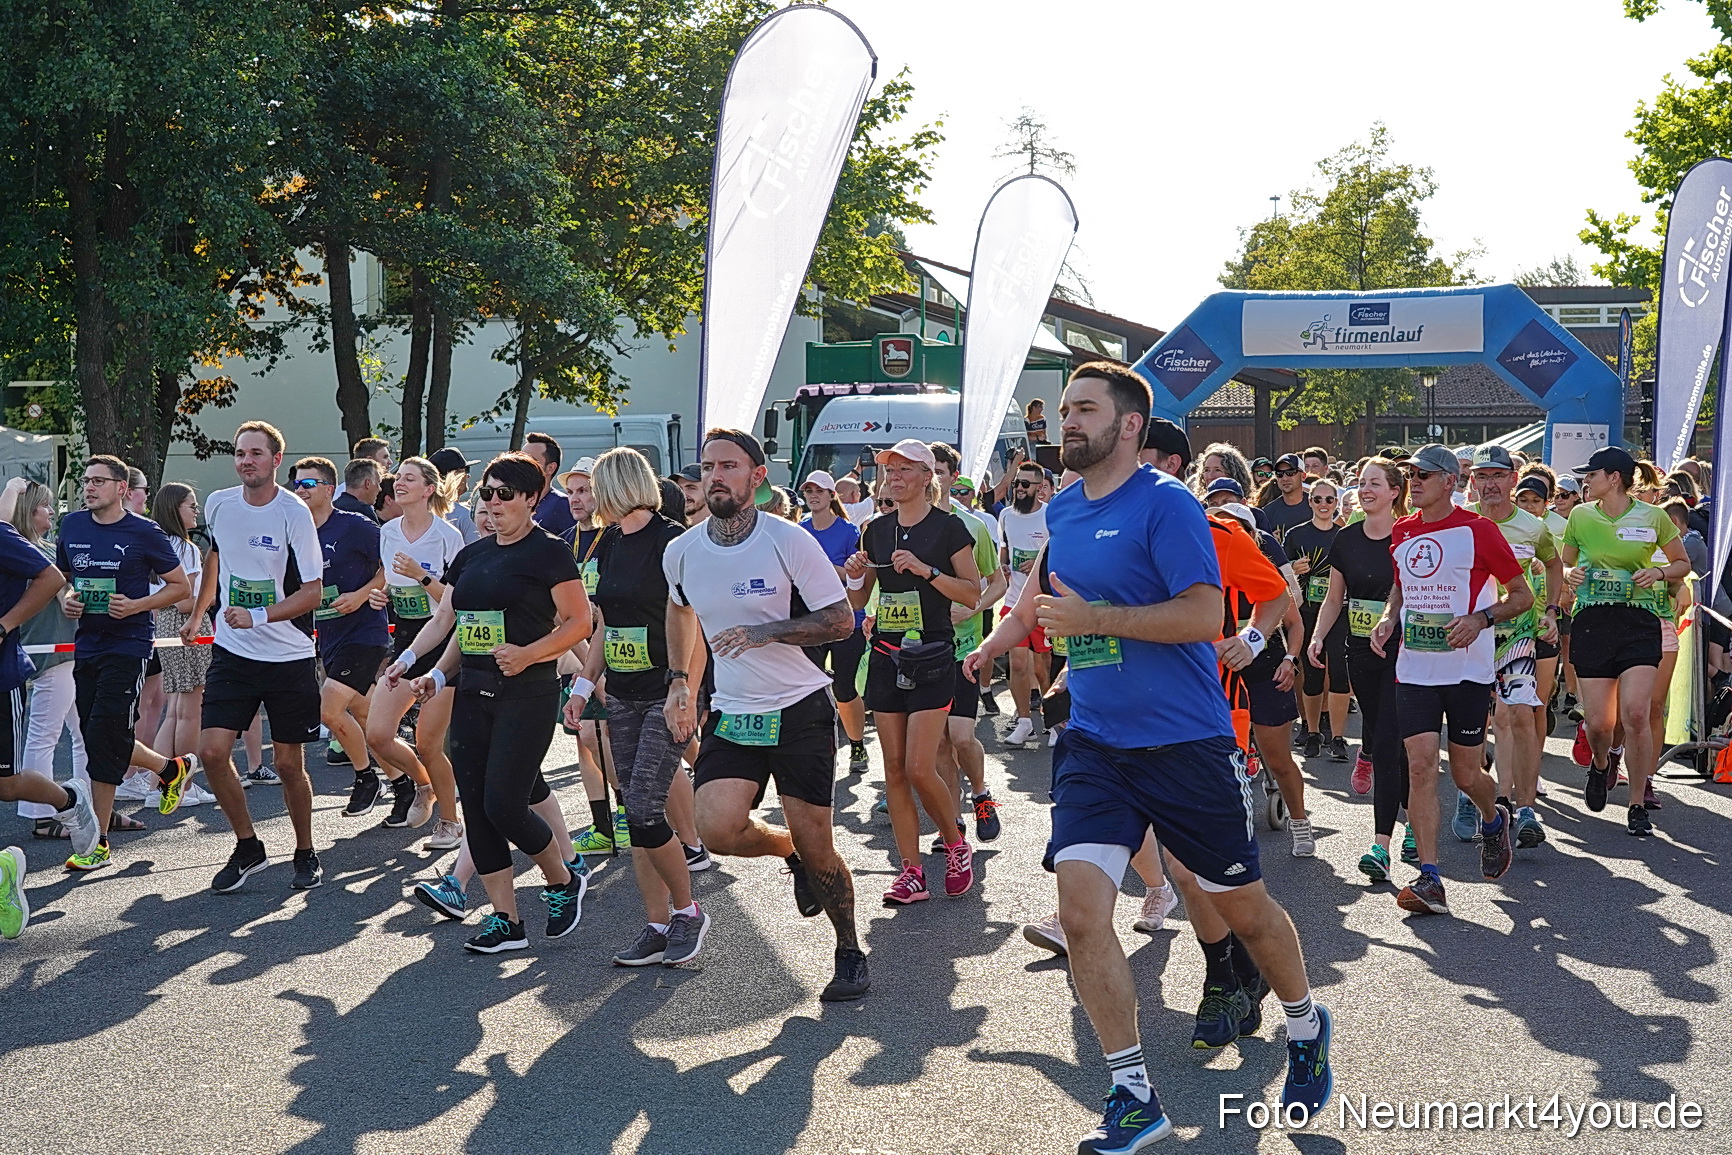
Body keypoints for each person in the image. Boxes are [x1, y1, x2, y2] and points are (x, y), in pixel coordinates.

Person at [964, 363, 1332, 1151]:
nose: (1066, 422)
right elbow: (1038, 583)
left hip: (1185, 742)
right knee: (1080, 911)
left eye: (1083, 410)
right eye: (1063, 409)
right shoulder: (1063, 507)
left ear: (1129, 425)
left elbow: (1204, 614)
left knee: (1245, 911)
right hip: (1096, 742)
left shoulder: (1168, 506)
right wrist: (999, 637)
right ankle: (1133, 1093)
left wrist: (1099, 617)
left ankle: (1305, 1021)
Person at [663, 429, 869, 1001]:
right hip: (735, 711)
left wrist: (763, 632)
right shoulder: (681, 551)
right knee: (716, 827)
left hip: (800, 706)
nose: (715, 476)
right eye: (708, 467)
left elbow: (840, 620)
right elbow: (680, 613)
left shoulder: (788, 541)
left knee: (820, 843)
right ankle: (788, 853)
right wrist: (681, 681)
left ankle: (849, 950)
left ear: (757, 477)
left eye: (729, 466)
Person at [401, 452, 592, 952]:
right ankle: (506, 921)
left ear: (532, 499)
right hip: (473, 692)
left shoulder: (549, 553)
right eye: (486, 493)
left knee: (505, 804)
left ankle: (562, 879)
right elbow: (453, 625)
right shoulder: (472, 556)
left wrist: (529, 654)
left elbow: (579, 622)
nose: (493, 503)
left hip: (526, 693)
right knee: (479, 812)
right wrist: (430, 672)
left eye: (505, 494)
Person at [562, 448, 709, 966]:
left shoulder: (673, 541)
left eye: (594, 487)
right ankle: (655, 923)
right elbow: (604, 624)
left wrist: (683, 688)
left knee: (646, 810)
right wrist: (583, 688)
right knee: (635, 810)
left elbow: (693, 624)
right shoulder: (609, 545)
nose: (584, 499)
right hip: (620, 694)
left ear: (618, 486)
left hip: (664, 694)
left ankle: (688, 912)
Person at [1369, 444, 1529, 916]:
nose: (1413, 481)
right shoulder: (1402, 531)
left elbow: (1520, 596)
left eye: (1423, 474)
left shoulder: (1479, 531)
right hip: (1415, 667)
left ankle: (1493, 816)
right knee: (1419, 765)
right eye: (1409, 474)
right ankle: (1431, 878)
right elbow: (1401, 586)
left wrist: (1481, 619)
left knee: (1464, 773)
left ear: (1449, 482)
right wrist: (1388, 616)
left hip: (1467, 670)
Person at [182, 422, 328, 892]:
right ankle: (249, 846)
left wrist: (261, 615)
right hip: (233, 652)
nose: (246, 461)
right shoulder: (221, 503)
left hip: (288, 657)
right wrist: (202, 612)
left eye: (256, 454)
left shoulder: (293, 513)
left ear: (275, 461)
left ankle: (305, 850)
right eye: (240, 453)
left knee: (288, 765)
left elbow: (313, 592)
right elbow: (217, 559)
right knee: (210, 752)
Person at [844, 438, 982, 905]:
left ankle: (955, 843)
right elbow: (859, 602)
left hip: (934, 658)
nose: (894, 477)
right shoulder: (875, 531)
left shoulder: (950, 529)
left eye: (905, 469)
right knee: (896, 772)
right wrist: (856, 575)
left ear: (929, 477)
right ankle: (911, 872)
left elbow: (972, 594)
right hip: (886, 656)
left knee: (922, 766)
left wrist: (927, 571)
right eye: (889, 469)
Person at [57, 456, 199, 870]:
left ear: (122, 488)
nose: (89, 487)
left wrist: (138, 604)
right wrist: (68, 600)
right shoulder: (74, 526)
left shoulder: (143, 532)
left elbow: (180, 586)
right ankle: (169, 768)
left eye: (99, 481)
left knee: (103, 734)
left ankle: (96, 842)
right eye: (86, 481)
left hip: (129, 645)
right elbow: (67, 579)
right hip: (87, 645)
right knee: (96, 732)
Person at [1561, 446, 1690, 836]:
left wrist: (1660, 573)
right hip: (1593, 622)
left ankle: (1636, 804)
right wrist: (1570, 575)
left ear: (1614, 477)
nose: (1586, 481)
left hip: (1639, 622)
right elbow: (1565, 562)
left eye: (1592, 475)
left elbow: (1682, 563)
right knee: (1600, 723)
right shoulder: (1581, 517)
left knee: (1636, 713)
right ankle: (1601, 764)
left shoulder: (1653, 516)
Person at [0, 478, 100, 934]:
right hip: (45, 658)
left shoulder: (12, 539)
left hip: (14, 672)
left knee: (7, 782)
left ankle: (67, 800)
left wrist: (4, 625)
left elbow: (54, 578)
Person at [1309, 458, 1416, 880]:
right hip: (1359, 650)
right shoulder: (1346, 539)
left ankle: (1384, 842)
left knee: (1393, 736)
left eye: (1375, 483)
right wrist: (1318, 638)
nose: (1366, 488)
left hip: (1404, 651)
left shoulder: (1409, 536)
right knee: (1382, 732)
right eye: (1362, 482)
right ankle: (1404, 809)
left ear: (1394, 491)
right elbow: (1335, 598)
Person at [359, 456, 466, 844]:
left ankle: (451, 822)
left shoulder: (448, 537)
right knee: (378, 735)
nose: (398, 484)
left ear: (428, 489)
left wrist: (421, 577)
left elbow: (453, 605)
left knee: (428, 742)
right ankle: (424, 785)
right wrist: (380, 595)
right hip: (406, 642)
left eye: (408, 479)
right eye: (397, 478)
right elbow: (391, 577)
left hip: (443, 649)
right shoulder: (387, 532)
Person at [1466, 445, 1562, 852]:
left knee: (1519, 715)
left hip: (1518, 634)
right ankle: (1483, 795)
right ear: (1473, 482)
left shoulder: (1532, 526)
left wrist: (1553, 610)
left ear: (1512, 479)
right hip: (1468, 636)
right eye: (1482, 477)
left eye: (1498, 476)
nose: (1490, 484)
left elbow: (1555, 564)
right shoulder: (1461, 523)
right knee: (1475, 724)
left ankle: (1523, 809)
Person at [290, 456, 394, 830]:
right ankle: (408, 783)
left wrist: (363, 594)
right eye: (296, 484)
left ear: (329, 489)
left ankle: (366, 777)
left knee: (329, 711)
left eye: (308, 484)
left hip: (365, 632)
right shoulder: (296, 532)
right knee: (366, 715)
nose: (300, 490)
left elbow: (390, 567)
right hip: (328, 636)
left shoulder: (355, 526)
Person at [931, 442, 1009, 841]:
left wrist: (973, 607)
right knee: (940, 743)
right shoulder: (902, 526)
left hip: (962, 649)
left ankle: (980, 793)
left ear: (950, 477)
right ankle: (953, 821)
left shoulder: (972, 525)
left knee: (961, 735)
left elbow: (998, 583)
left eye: (939, 471)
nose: (932, 477)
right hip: (922, 651)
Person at [797, 471, 870, 771]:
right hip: (812, 622)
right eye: (808, 490)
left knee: (843, 687)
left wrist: (825, 568)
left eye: (819, 491)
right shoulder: (799, 531)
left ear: (831, 496)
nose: (813, 495)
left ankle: (857, 745)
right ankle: (815, 750)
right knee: (809, 690)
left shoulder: (848, 531)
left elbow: (858, 576)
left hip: (847, 620)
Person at [148, 483, 214, 770]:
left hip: (164, 624)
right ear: (175, 509)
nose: (196, 511)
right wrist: (210, 596)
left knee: (174, 710)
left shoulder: (156, 545)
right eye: (191, 505)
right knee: (190, 711)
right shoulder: (185, 548)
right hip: (187, 626)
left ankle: (159, 781)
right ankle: (184, 784)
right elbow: (185, 602)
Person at [1284, 477, 1351, 761]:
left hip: (1340, 611)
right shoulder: (1297, 535)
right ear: (1310, 502)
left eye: (1329, 500)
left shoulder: (1346, 535)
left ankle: (1337, 737)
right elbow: (1281, 573)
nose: (1324, 505)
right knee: (1311, 674)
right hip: (1308, 610)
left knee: (1339, 672)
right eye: (1318, 499)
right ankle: (1312, 732)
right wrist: (1293, 570)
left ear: (1336, 503)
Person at [998, 459, 1051, 746]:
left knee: (1043, 667)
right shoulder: (1006, 515)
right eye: (1017, 482)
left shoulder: (1049, 515)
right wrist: (1004, 566)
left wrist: (1039, 563)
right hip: (1013, 599)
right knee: (1017, 663)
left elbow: (1060, 555)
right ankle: (1023, 721)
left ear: (1040, 488)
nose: (1018, 488)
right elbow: (1003, 549)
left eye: (1025, 484)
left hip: (1042, 601)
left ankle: (1054, 720)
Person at [522, 431, 576, 535]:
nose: (522, 466)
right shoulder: (515, 502)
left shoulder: (562, 505)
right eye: (519, 460)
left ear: (550, 468)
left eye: (530, 461)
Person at [428, 447, 480, 545]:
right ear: (453, 476)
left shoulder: (421, 511)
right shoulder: (466, 516)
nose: (468, 476)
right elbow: (475, 555)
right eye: (466, 470)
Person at [1260, 453, 1311, 543]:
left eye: (1290, 473)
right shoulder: (1267, 513)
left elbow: (1339, 532)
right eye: (1279, 474)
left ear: (1303, 476)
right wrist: (1268, 542)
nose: (1285, 478)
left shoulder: (1318, 504)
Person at [336, 458, 382, 523]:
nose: (380, 489)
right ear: (367, 484)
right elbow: (375, 533)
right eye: (378, 483)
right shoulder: (364, 512)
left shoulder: (333, 507)